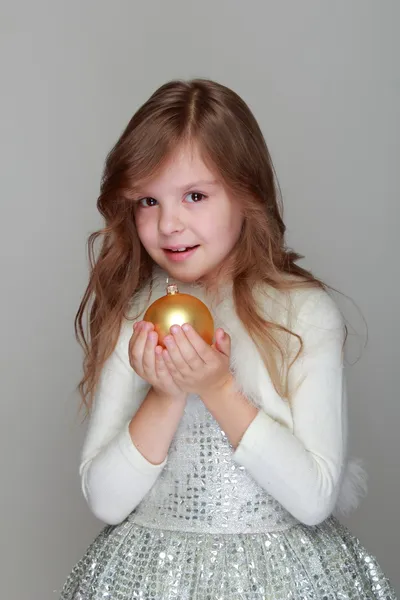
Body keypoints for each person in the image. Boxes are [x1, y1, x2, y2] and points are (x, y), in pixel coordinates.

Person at [60, 79, 396, 599]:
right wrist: (167, 393)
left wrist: (219, 389)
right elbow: (105, 501)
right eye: (148, 200)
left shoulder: (302, 313)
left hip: (280, 580)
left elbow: (313, 500)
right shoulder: (136, 315)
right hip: (152, 582)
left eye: (195, 195)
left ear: (247, 193)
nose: (169, 224)